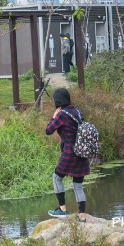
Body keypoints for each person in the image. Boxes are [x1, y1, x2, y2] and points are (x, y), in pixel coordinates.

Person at [44, 88, 89, 221]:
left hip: (69, 153)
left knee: (57, 178)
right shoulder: (78, 112)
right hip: (82, 152)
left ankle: (62, 209)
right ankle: (82, 217)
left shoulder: (62, 114)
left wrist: (53, 116)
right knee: (78, 186)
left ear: (57, 100)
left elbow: (48, 130)